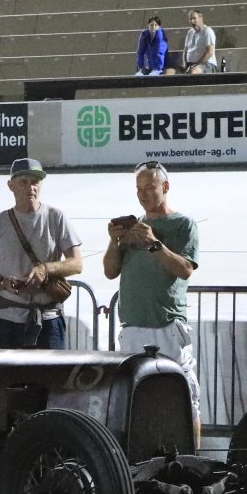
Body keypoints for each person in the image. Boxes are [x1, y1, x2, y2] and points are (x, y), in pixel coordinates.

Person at [103, 161, 201, 435]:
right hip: (132, 326)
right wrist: (114, 241)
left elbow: (185, 269)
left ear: (165, 187)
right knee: (135, 400)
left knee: (184, 398)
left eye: (149, 187)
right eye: (138, 189)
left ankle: (192, 455)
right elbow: (110, 271)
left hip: (167, 325)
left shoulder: (183, 224)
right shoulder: (134, 226)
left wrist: (155, 244)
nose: (143, 194)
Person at [0, 157, 84, 349]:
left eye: (35, 182)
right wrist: (2, 282)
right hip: (7, 317)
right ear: (11, 186)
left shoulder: (56, 217)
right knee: (3, 369)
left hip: (48, 319)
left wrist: (46, 269)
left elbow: (76, 263)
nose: (30, 187)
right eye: (23, 182)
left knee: (50, 369)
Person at [168, 9, 217, 74]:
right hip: (190, 65)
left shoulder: (207, 31)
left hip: (206, 64)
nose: (192, 21)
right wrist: (185, 65)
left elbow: (210, 52)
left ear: (201, 18)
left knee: (193, 71)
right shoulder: (190, 32)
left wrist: (196, 65)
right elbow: (185, 52)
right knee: (169, 72)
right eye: (190, 19)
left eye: (194, 18)